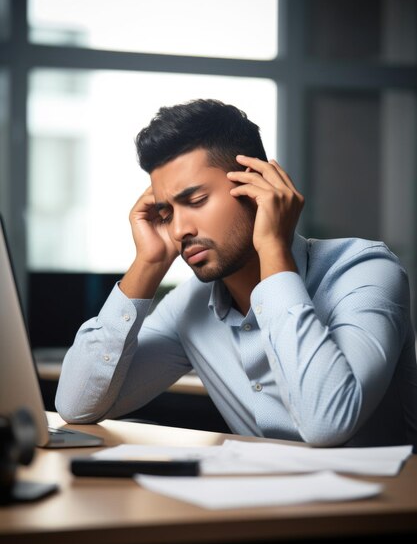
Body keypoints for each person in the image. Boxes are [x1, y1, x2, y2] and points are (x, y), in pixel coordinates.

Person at [56, 98, 417, 447]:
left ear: (256, 185)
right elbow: (76, 405)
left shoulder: (365, 271)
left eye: (196, 201)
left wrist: (273, 249)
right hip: (258, 505)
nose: (178, 229)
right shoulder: (189, 307)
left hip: (381, 506)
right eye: (166, 213)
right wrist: (148, 263)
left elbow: (329, 422)